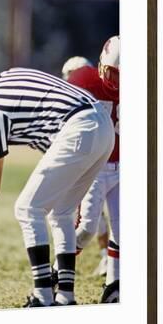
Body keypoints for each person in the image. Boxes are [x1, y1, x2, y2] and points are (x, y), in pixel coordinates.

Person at [0, 67, 115, 307]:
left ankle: (43, 296)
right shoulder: (4, 77)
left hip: (78, 128)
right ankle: (65, 296)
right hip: (104, 126)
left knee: (27, 209)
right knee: (62, 211)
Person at [66, 37, 120, 302]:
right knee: (86, 228)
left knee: (123, 230)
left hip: (123, 167)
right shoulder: (84, 81)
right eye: (112, 72)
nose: (116, 81)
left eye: (121, 74)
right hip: (96, 166)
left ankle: (114, 285)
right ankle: (59, 269)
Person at [61, 54, 109, 278]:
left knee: (90, 219)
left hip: (98, 164)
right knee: (93, 218)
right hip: (94, 162)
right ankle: (105, 257)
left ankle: (62, 268)